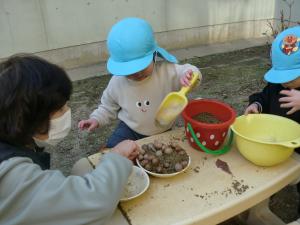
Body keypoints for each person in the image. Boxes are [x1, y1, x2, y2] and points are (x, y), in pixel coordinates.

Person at [0, 55, 139, 225]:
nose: (67, 111)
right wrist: (117, 156)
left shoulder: (12, 136)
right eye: (59, 108)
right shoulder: (10, 174)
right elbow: (93, 202)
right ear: (30, 118)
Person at [78, 17, 201, 148]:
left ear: (154, 55)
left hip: (163, 129)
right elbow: (107, 107)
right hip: (129, 130)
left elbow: (192, 72)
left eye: (141, 67)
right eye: (128, 70)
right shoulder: (116, 83)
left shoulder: (168, 72)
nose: (136, 73)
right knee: (113, 150)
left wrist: (188, 75)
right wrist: (96, 119)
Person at [244, 26, 300, 124]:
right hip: (275, 133)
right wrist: (256, 105)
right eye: (280, 77)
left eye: (290, 79)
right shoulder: (277, 85)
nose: (284, 83)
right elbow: (265, 97)